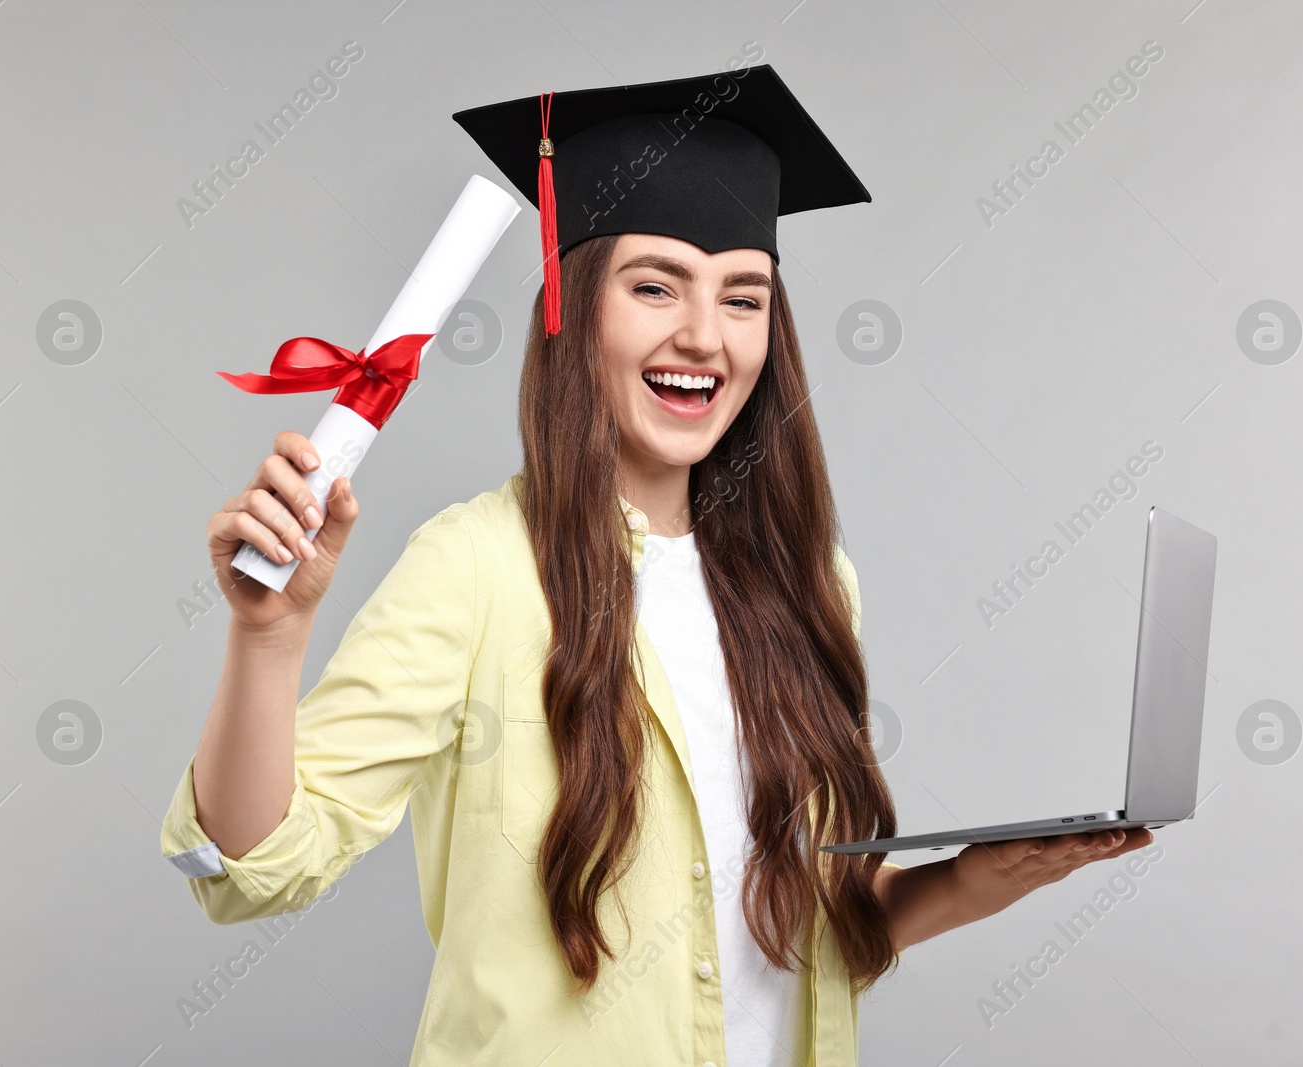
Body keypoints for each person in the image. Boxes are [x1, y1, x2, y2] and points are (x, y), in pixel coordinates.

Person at [159, 65, 1152, 1066]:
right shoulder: (478, 568)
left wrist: (988, 874)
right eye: (654, 285)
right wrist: (269, 636)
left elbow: (802, 931)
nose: (703, 337)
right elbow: (249, 868)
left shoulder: (809, 584)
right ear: (576, 306)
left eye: (743, 297)